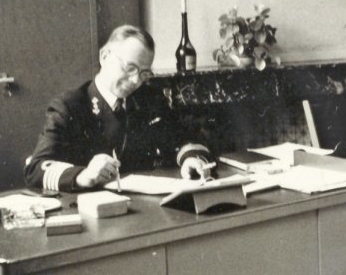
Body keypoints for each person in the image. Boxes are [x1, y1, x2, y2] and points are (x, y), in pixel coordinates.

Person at [24, 25, 213, 192]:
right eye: (129, 68)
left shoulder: (150, 99)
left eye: (144, 73)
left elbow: (184, 137)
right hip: (93, 209)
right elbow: (36, 169)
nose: (136, 80)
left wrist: (190, 159)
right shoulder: (70, 106)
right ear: (104, 56)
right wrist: (83, 175)